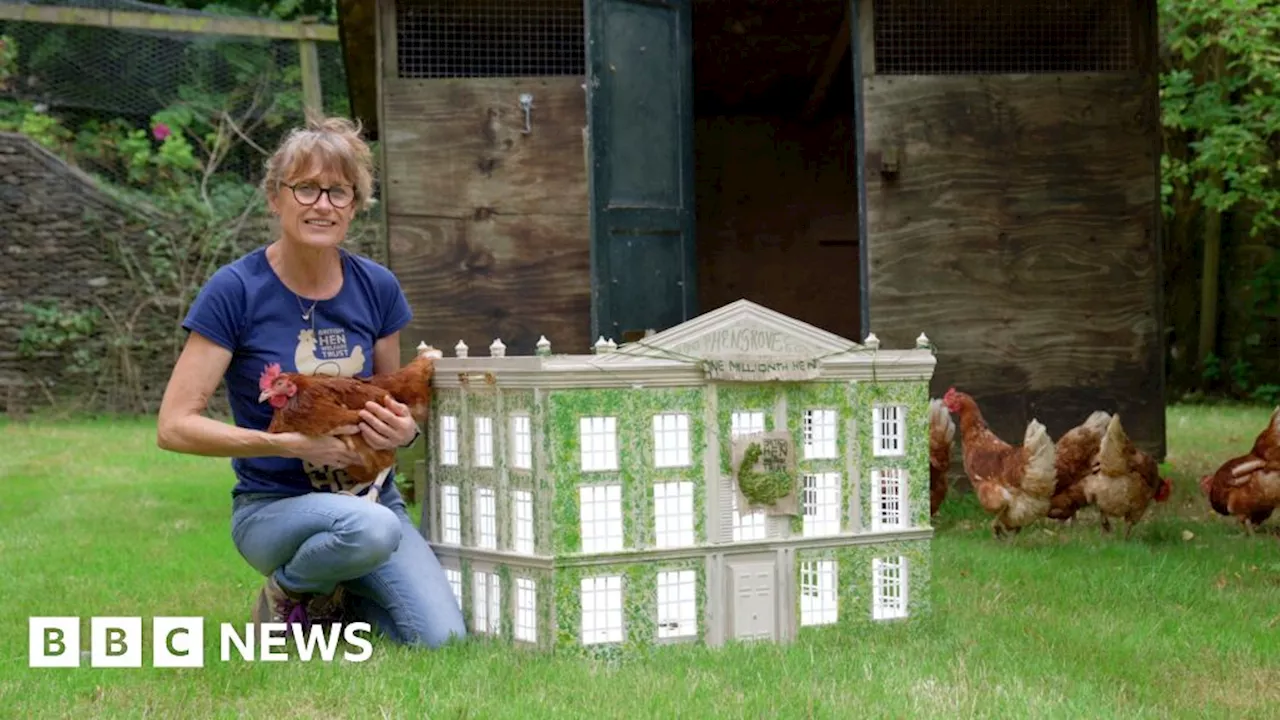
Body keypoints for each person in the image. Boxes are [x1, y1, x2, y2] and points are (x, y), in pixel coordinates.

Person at [156, 113, 466, 649]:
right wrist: (284, 443)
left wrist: (404, 433)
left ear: (354, 206)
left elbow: (394, 397)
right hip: (274, 507)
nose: (322, 204)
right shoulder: (236, 290)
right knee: (372, 532)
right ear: (275, 198)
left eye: (338, 192)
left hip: (371, 499)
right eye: (305, 188)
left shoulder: (376, 287)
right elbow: (175, 427)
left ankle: (338, 598)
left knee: (440, 641)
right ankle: (289, 592)